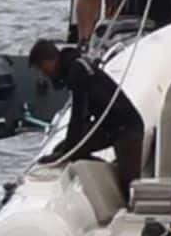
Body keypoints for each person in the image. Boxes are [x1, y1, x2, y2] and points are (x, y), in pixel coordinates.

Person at [29, 39, 144, 190]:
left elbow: (79, 115)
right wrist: (66, 149)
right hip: (107, 126)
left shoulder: (77, 72)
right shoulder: (73, 65)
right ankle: (105, 171)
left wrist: (68, 151)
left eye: (41, 68)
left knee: (128, 186)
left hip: (127, 128)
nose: (43, 73)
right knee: (68, 149)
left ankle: (114, 173)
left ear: (50, 61)